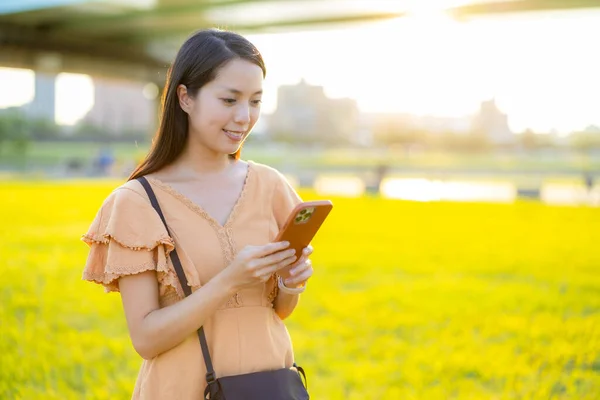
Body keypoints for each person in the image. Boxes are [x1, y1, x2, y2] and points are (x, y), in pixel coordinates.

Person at [81, 28, 314, 399]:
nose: (244, 116)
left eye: (255, 101)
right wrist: (230, 279)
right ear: (185, 98)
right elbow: (146, 338)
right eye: (229, 100)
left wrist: (290, 283)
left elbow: (277, 311)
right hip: (181, 388)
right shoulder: (137, 202)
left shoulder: (270, 186)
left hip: (270, 384)